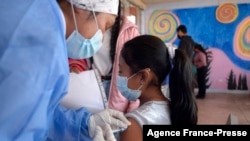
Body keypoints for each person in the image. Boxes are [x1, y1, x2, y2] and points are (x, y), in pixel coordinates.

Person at [0, 0, 131, 141]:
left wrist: (84, 124)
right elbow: (15, 128)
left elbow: (39, 112)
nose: (102, 37)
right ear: (82, 7)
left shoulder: (37, 15)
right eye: (106, 26)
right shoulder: (42, 43)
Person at [116, 35, 198, 141]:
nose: (118, 77)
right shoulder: (175, 109)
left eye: (120, 71)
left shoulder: (135, 124)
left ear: (143, 77)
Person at [68, 0, 141, 113]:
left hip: (117, 91)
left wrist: (132, 114)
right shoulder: (84, 26)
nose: (101, 37)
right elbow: (78, 54)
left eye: (107, 26)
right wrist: (76, 67)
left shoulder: (128, 32)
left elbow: (135, 73)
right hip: (92, 85)